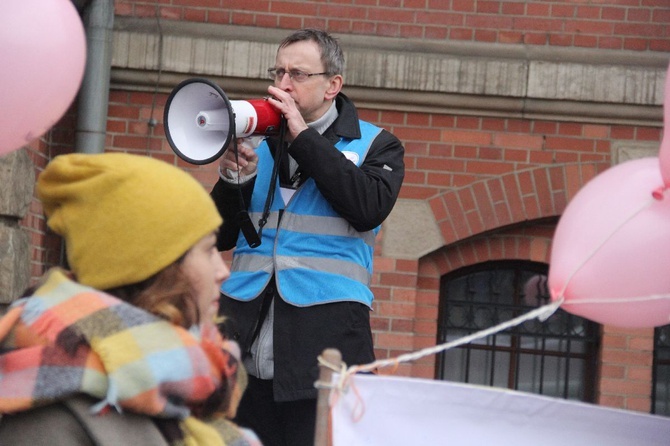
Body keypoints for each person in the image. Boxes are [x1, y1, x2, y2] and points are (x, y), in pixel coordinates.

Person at [211, 28, 405, 446]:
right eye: (277, 71)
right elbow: (220, 235)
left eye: (297, 74)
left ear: (332, 85)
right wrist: (232, 179)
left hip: (325, 346)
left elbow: (367, 206)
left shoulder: (376, 145)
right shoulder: (257, 140)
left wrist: (303, 138)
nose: (282, 85)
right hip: (241, 342)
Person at [0, 153, 261, 446]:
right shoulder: (48, 421)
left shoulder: (183, 383)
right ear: (155, 267)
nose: (222, 271)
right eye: (208, 250)